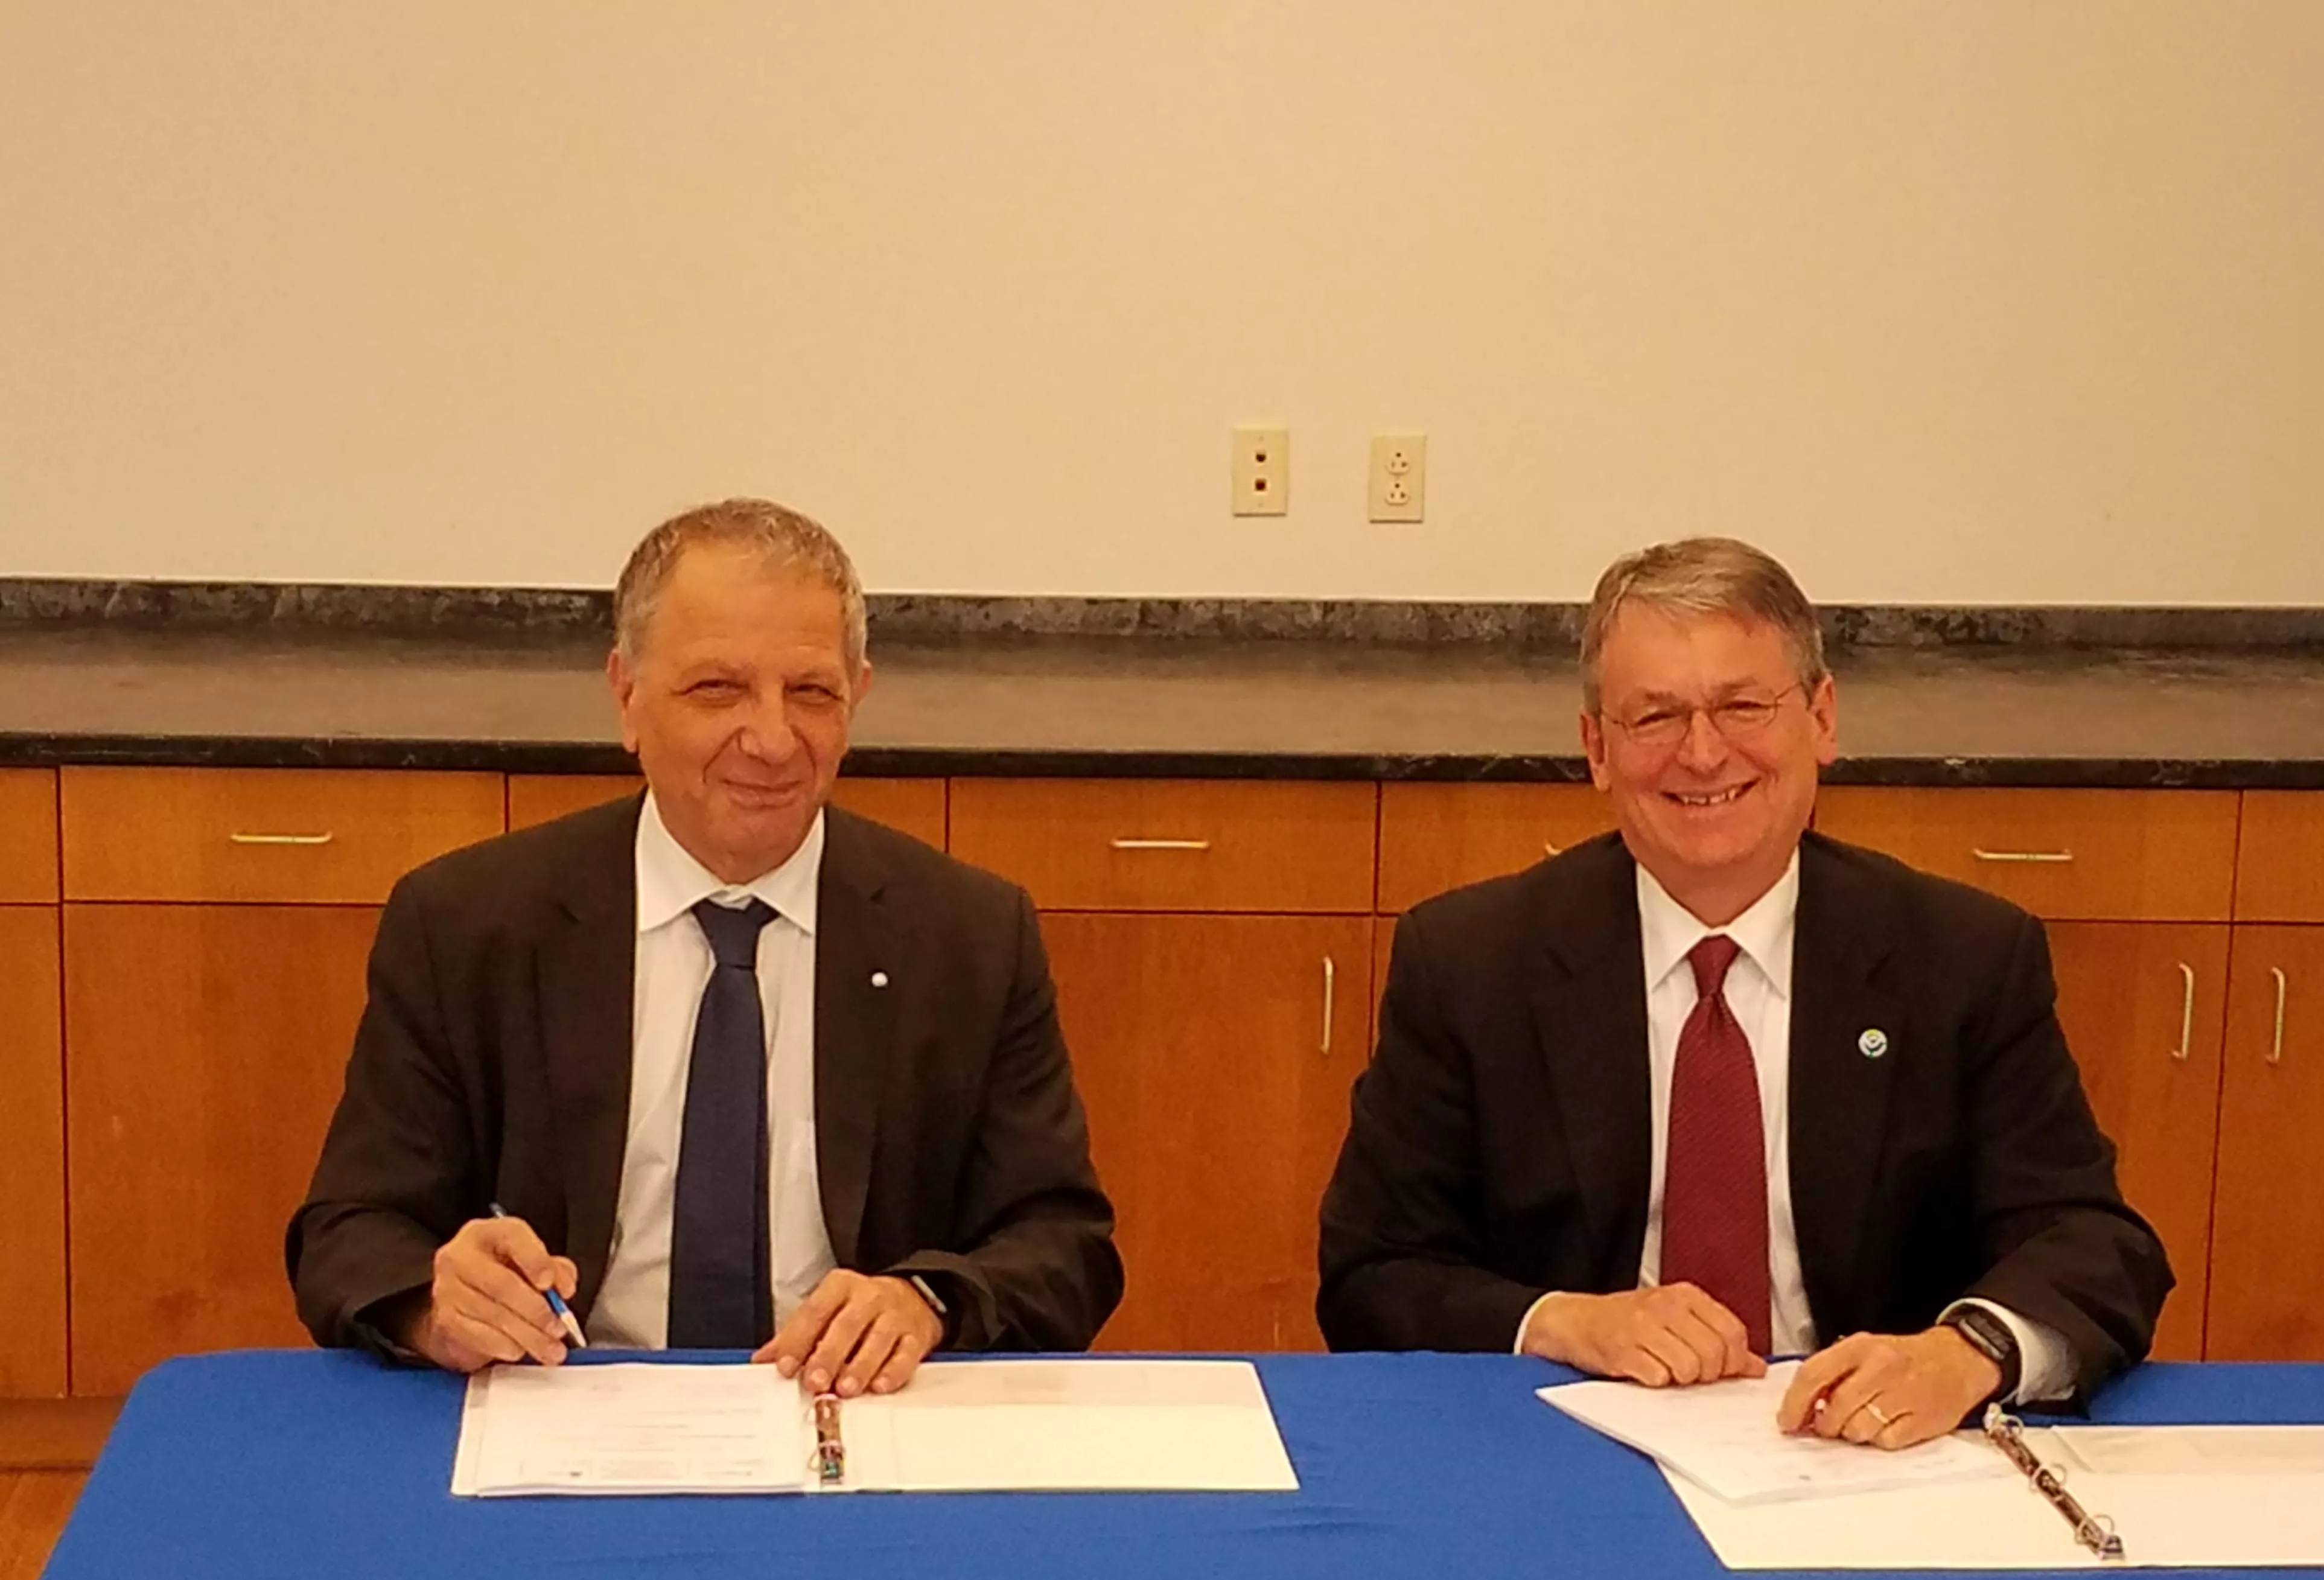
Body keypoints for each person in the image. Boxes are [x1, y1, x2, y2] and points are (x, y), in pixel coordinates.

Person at [1317, 537, 2170, 1447]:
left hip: (1869, 1458)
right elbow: (1372, 1275)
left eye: (1743, 706)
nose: (1702, 753)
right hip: (1567, 1446)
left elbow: (2094, 1244)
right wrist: (1563, 1320)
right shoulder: (1472, 963)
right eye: (1654, 718)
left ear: (1823, 720)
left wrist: (1963, 1353)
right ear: (1596, 749)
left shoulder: (1961, 958)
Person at [288, 499, 1119, 1395]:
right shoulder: (469, 923)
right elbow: (351, 1230)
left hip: (852, 1420)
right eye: (717, 689)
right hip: (566, 1407)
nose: (770, 740)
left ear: (859, 698)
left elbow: (1063, 1244)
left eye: (811, 692)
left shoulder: (967, 936)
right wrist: (435, 1301)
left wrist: (930, 1301)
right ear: (627, 696)